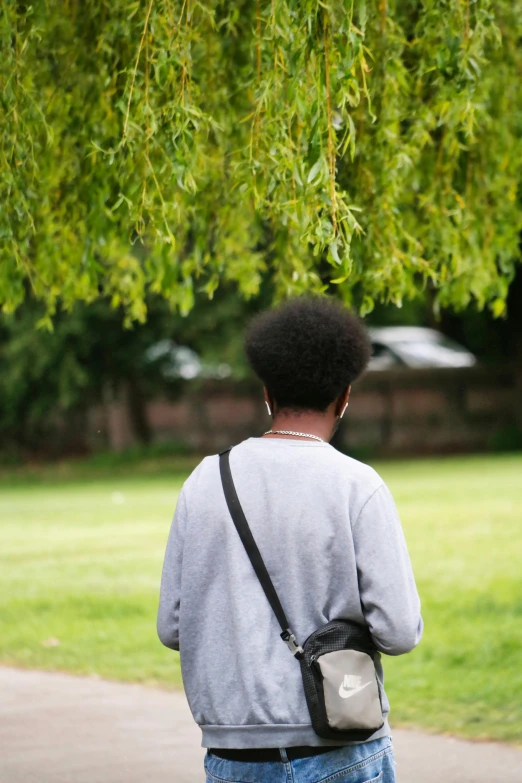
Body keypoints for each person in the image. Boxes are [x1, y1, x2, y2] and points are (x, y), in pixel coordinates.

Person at [157, 296, 423, 783]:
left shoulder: (205, 480)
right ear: (344, 396)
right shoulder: (357, 485)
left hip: (233, 756)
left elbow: (172, 627)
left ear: (266, 391)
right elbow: (399, 631)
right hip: (343, 748)